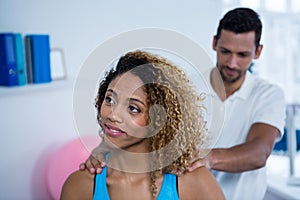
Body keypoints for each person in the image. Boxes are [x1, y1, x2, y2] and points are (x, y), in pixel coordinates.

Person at [80, 8, 287, 200]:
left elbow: (259, 151)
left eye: (242, 55)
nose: (232, 63)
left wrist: (209, 158)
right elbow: (145, 128)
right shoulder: (186, 89)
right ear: (214, 43)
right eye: (225, 51)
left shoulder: (268, 95)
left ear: (258, 52)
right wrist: (103, 149)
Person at [61, 50, 225, 199]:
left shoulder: (194, 183)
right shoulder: (80, 186)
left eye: (133, 108)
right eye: (110, 99)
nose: (113, 115)